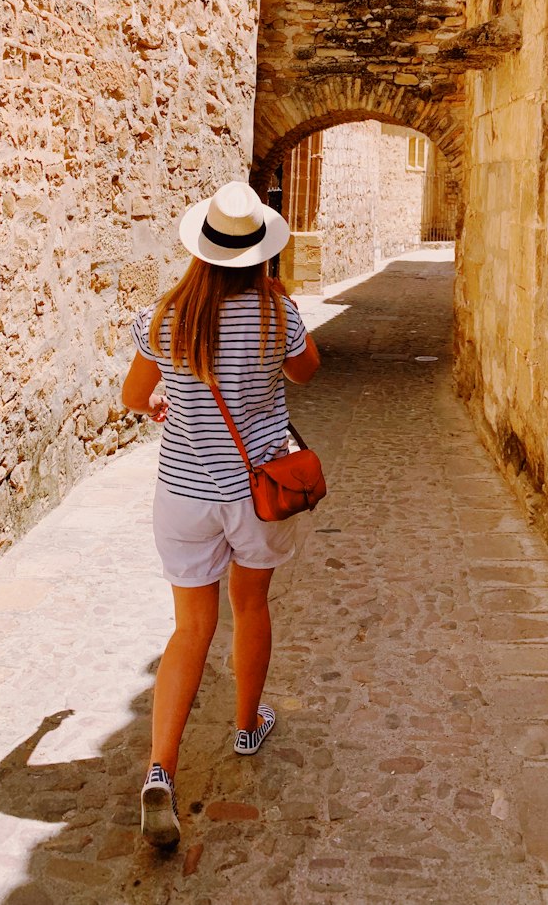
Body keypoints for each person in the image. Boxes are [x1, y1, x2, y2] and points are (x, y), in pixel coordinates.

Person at [121, 180, 321, 848]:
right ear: (257, 251)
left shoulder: (168, 313)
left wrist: (164, 402)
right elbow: (307, 372)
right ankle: (245, 723)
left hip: (182, 493)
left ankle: (161, 768)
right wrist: (284, 312)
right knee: (252, 606)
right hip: (256, 492)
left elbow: (134, 395)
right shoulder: (274, 311)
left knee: (189, 629)